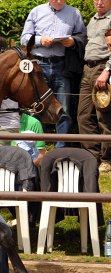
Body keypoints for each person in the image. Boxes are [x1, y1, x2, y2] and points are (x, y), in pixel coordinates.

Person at [21, 0, 87, 149]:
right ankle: (37, 149)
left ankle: (61, 150)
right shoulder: (36, 11)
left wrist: (73, 41)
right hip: (39, 65)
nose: (59, 1)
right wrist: (39, 40)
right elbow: (24, 37)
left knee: (63, 111)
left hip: (62, 66)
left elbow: (83, 36)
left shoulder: (74, 13)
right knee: (37, 108)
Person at [77, 0, 111, 172]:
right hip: (87, 69)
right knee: (83, 116)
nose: (99, 2)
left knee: (103, 117)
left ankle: (107, 160)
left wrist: (107, 70)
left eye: (103, 0)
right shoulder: (92, 20)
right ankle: (92, 158)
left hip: (103, 68)